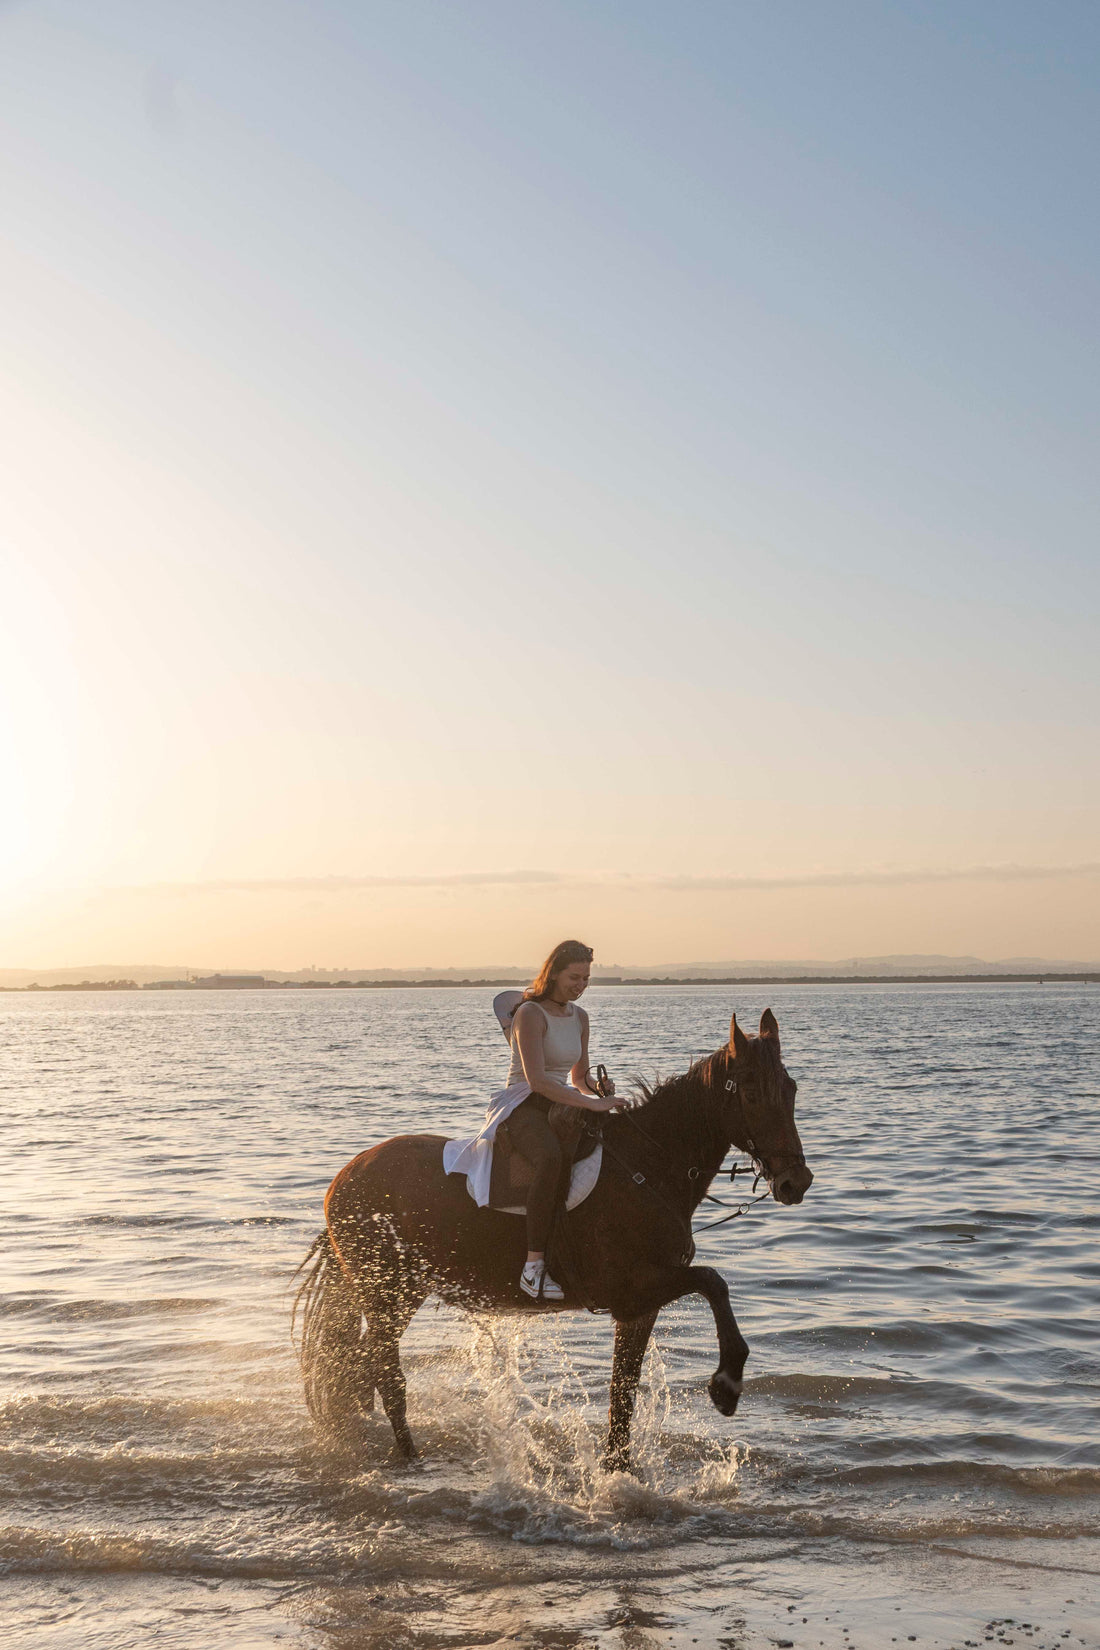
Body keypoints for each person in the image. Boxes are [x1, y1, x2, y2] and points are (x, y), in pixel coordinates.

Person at [441, 939, 618, 1302]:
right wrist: (590, 1103)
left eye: (586, 979)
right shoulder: (530, 1014)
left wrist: (597, 1088)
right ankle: (533, 1267)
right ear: (553, 973)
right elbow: (537, 1080)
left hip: (560, 1102)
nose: (581, 985)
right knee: (550, 1158)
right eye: (574, 977)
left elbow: (578, 1077)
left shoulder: (580, 1018)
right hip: (522, 1105)